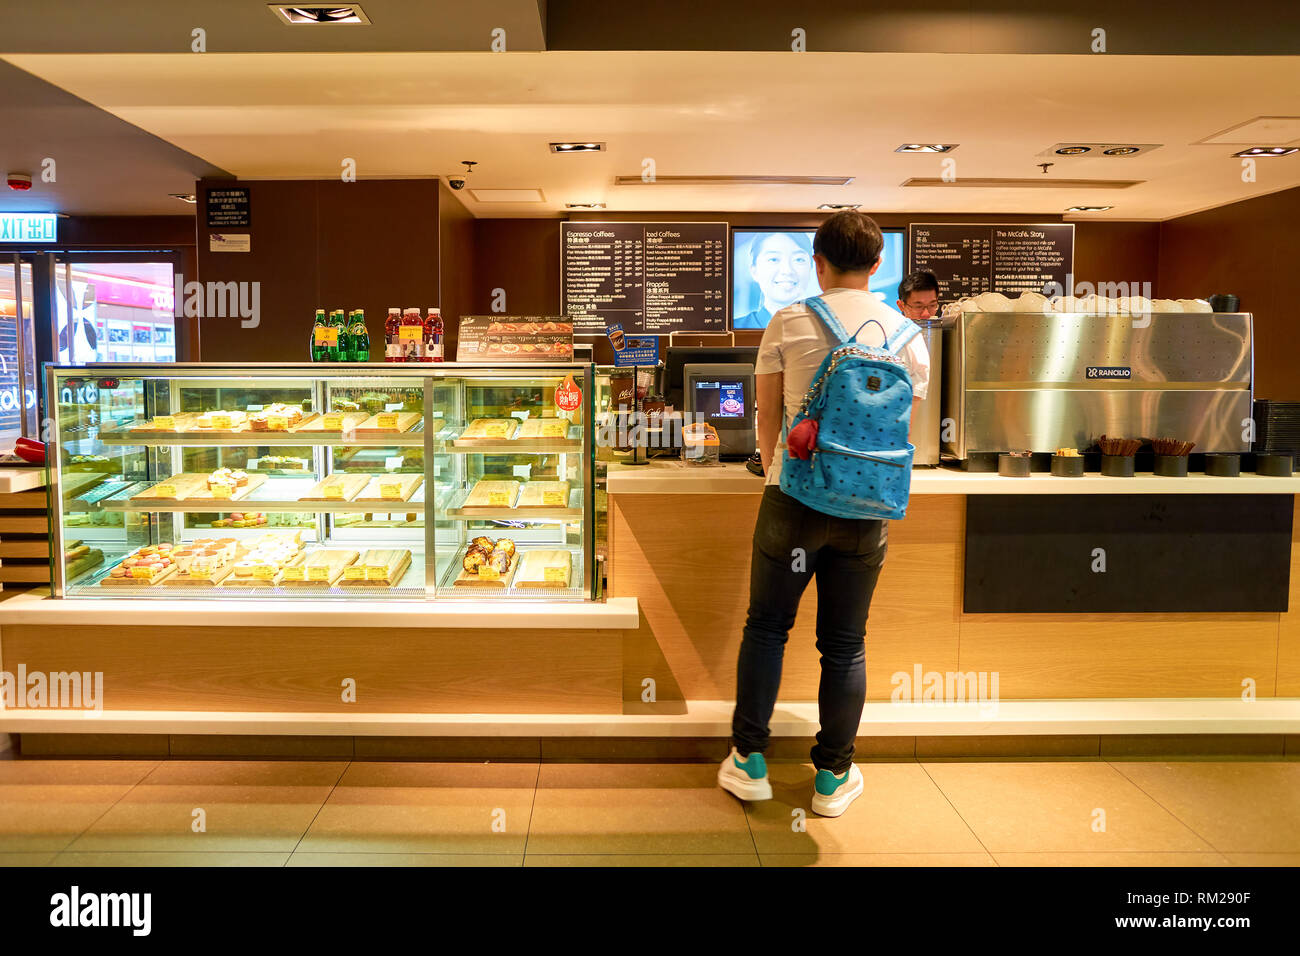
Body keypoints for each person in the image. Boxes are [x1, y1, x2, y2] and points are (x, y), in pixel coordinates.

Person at [717, 211, 930, 817]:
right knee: (844, 644)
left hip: (794, 501)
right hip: (867, 511)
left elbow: (765, 419)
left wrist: (776, 465)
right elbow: (898, 431)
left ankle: (749, 762)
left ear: (817, 262)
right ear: (879, 264)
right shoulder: (909, 335)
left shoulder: (789, 319)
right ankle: (832, 776)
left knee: (766, 629)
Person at [733, 232, 815, 329]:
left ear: (811, 267)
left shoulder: (827, 331)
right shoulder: (737, 326)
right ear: (754, 271)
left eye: (798, 260)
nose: (787, 270)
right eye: (774, 259)